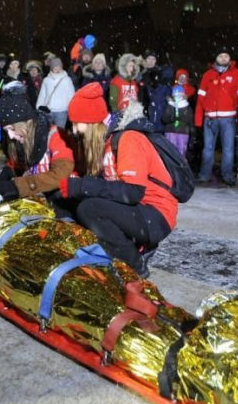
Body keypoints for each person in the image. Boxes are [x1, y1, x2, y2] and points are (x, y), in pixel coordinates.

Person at [58, 97, 177, 278]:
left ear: (92, 122)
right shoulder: (108, 140)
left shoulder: (128, 138)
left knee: (90, 209)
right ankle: (114, 250)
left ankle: (134, 265)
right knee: (78, 201)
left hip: (157, 214)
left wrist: (84, 185)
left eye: (77, 124)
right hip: (140, 211)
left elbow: (132, 192)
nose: (74, 131)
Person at [0, 81, 74, 207]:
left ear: (25, 123)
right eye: (7, 131)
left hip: (62, 195)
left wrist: (17, 186)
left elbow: (61, 175)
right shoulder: (20, 138)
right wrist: (10, 170)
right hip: (38, 194)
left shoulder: (55, 136)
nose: (10, 135)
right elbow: (19, 165)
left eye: (12, 128)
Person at [195, 46, 238, 186]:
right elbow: (200, 99)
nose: (223, 58)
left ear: (230, 58)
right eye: (221, 56)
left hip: (228, 119)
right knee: (208, 148)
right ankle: (204, 174)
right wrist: (198, 120)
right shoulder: (208, 75)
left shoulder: (237, 74)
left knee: (228, 149)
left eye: (226, 56)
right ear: (216, 58)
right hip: (210, 119)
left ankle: (227, 175)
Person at [36, 57, 75, 128]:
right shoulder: (46, 80)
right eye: (55, 67)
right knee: (47, 131)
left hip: (62, 111)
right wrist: (39, 106)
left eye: (59, 67)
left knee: (59, 132)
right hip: (48, 110)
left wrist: (71, 109)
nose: (57, 69)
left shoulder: (67, 80)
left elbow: (71, 96)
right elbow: (42, 95)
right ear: (51, 68)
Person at [162, 85, 194, 156]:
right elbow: (164, 119)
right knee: (170, 152)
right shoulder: (170, 106)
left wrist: (192, 132)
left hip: (183, 132)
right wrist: (172, 118)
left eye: (180, 95)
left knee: (181, 152)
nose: (177, 97)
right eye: (175, 95)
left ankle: (180, 165)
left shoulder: (186, 107)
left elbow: (190, 120)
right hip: (170, 132)